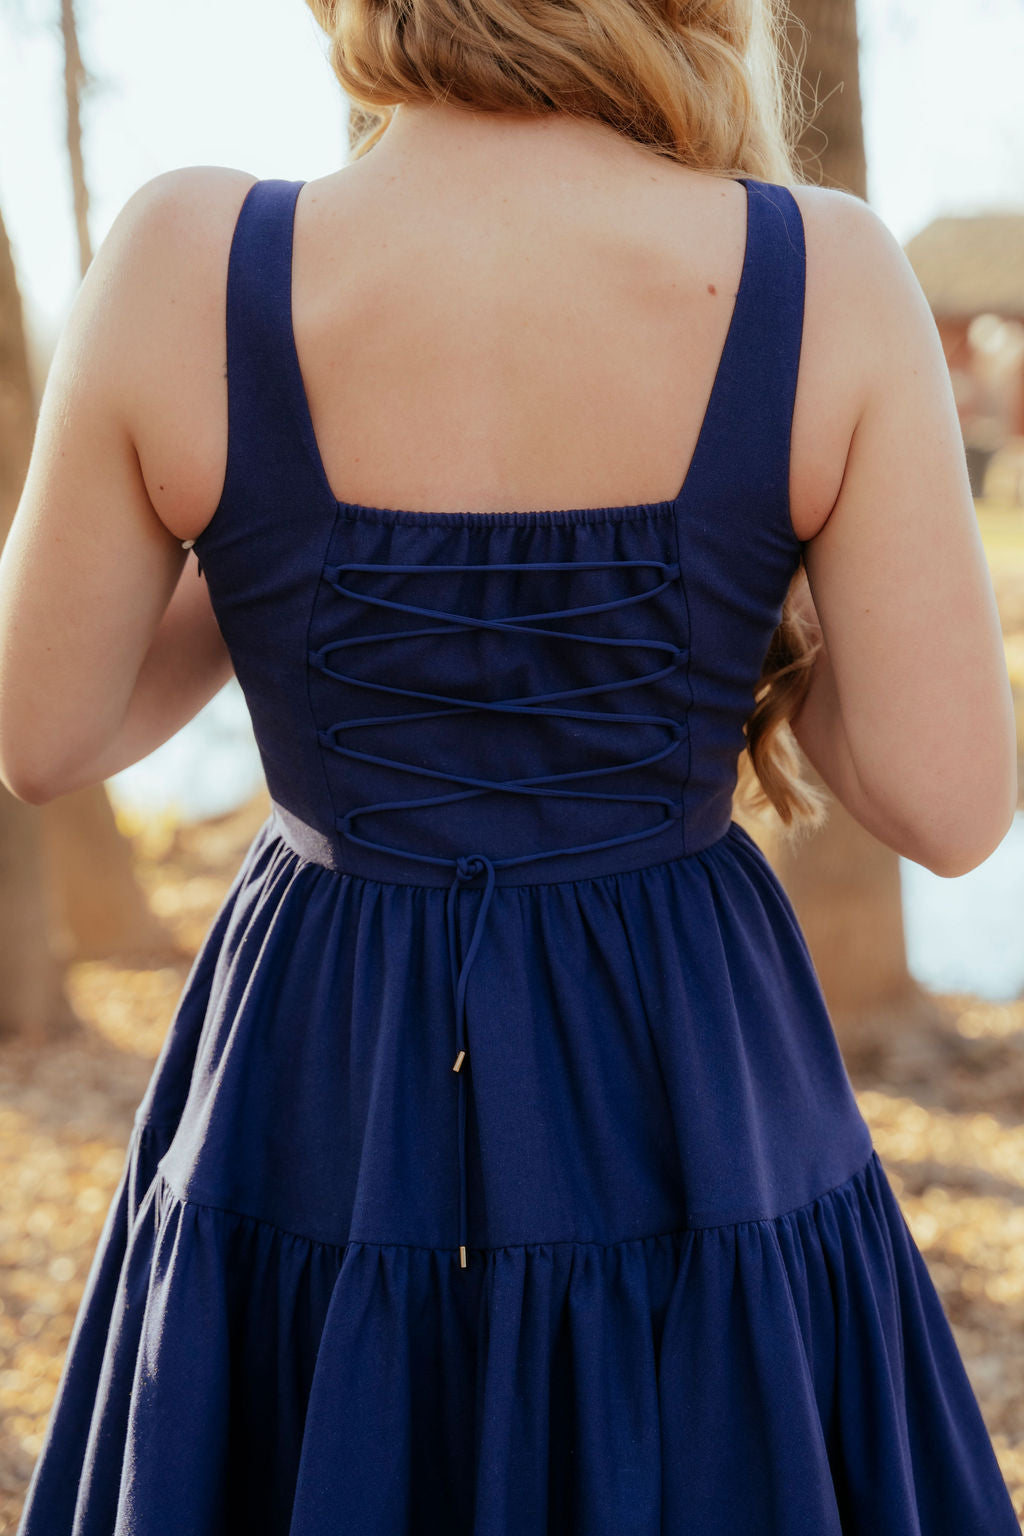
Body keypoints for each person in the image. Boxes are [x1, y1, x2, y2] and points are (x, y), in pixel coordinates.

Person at [0, 0, 1018, 1526]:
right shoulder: (820, 270)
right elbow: (950, 808)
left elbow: (45, 731)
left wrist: (286, 548)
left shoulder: (183, 258)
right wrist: (746, 600)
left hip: (321, 1061)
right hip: (681, 1055)